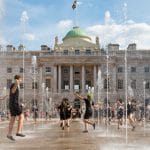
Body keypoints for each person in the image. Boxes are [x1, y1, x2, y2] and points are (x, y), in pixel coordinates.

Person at [7, 75, 25, 141]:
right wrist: (16, 83)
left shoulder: (15, 85)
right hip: (14, 104)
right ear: (18, 79)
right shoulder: (14, 84)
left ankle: (9, 134)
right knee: (22, 116)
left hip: (12, 104)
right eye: (21, 79)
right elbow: (13, 91)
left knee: (12, 119)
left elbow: (11, 93)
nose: (21, 81)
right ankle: (18, 132)